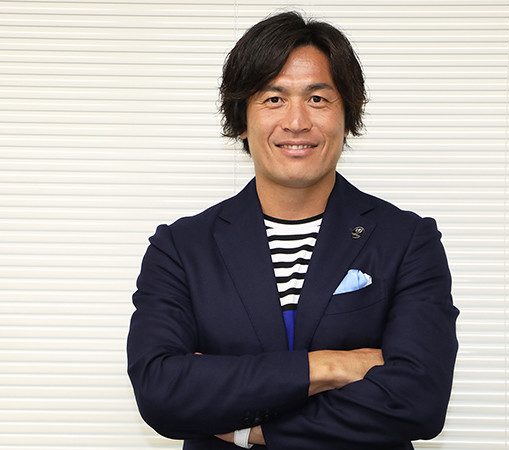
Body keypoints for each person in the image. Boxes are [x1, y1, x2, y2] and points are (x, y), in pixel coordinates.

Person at [127, 11, 459, 450]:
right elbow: (161, 390)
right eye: (273, 98)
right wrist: (330, 367)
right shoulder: (181, 248)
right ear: (241, 120)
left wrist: (253, 431)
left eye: (318, 98)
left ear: (348, 115)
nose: (297, 121)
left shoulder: (407, 240)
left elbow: (419, 400)